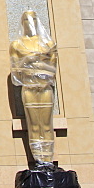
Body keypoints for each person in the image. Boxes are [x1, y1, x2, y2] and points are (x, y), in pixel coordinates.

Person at [9, 9, 58, 165]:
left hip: (44, 88)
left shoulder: (48, 44)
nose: (30, 24)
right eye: (27, 20)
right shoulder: (17, 45)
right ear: (22, 23)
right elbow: (16, 71)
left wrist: (40, 65)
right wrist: (30, 59)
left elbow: (52, 69)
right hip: (29, 88)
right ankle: (38, 159)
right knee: (34, 125)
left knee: (47, 124)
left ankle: (48, 160)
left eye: (33, 20)